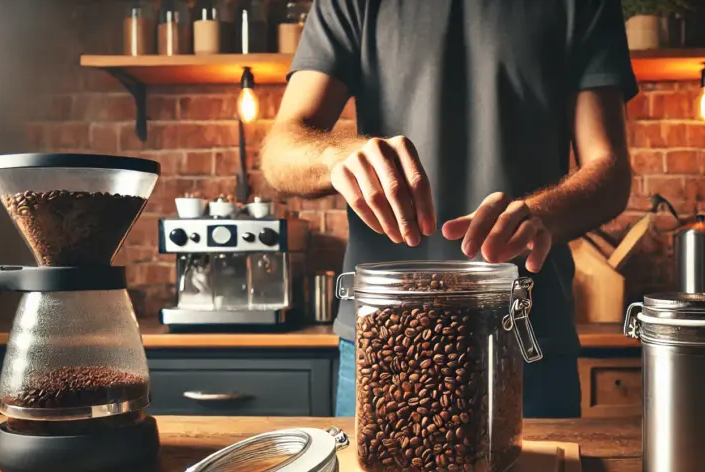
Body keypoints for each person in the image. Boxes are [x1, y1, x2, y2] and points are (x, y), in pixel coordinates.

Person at [261, 0, 636, 418]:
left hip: (524, 336)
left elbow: (610, 169)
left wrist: (541, 214)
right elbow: (281, 151)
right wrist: (338, 156)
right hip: (382, 342)